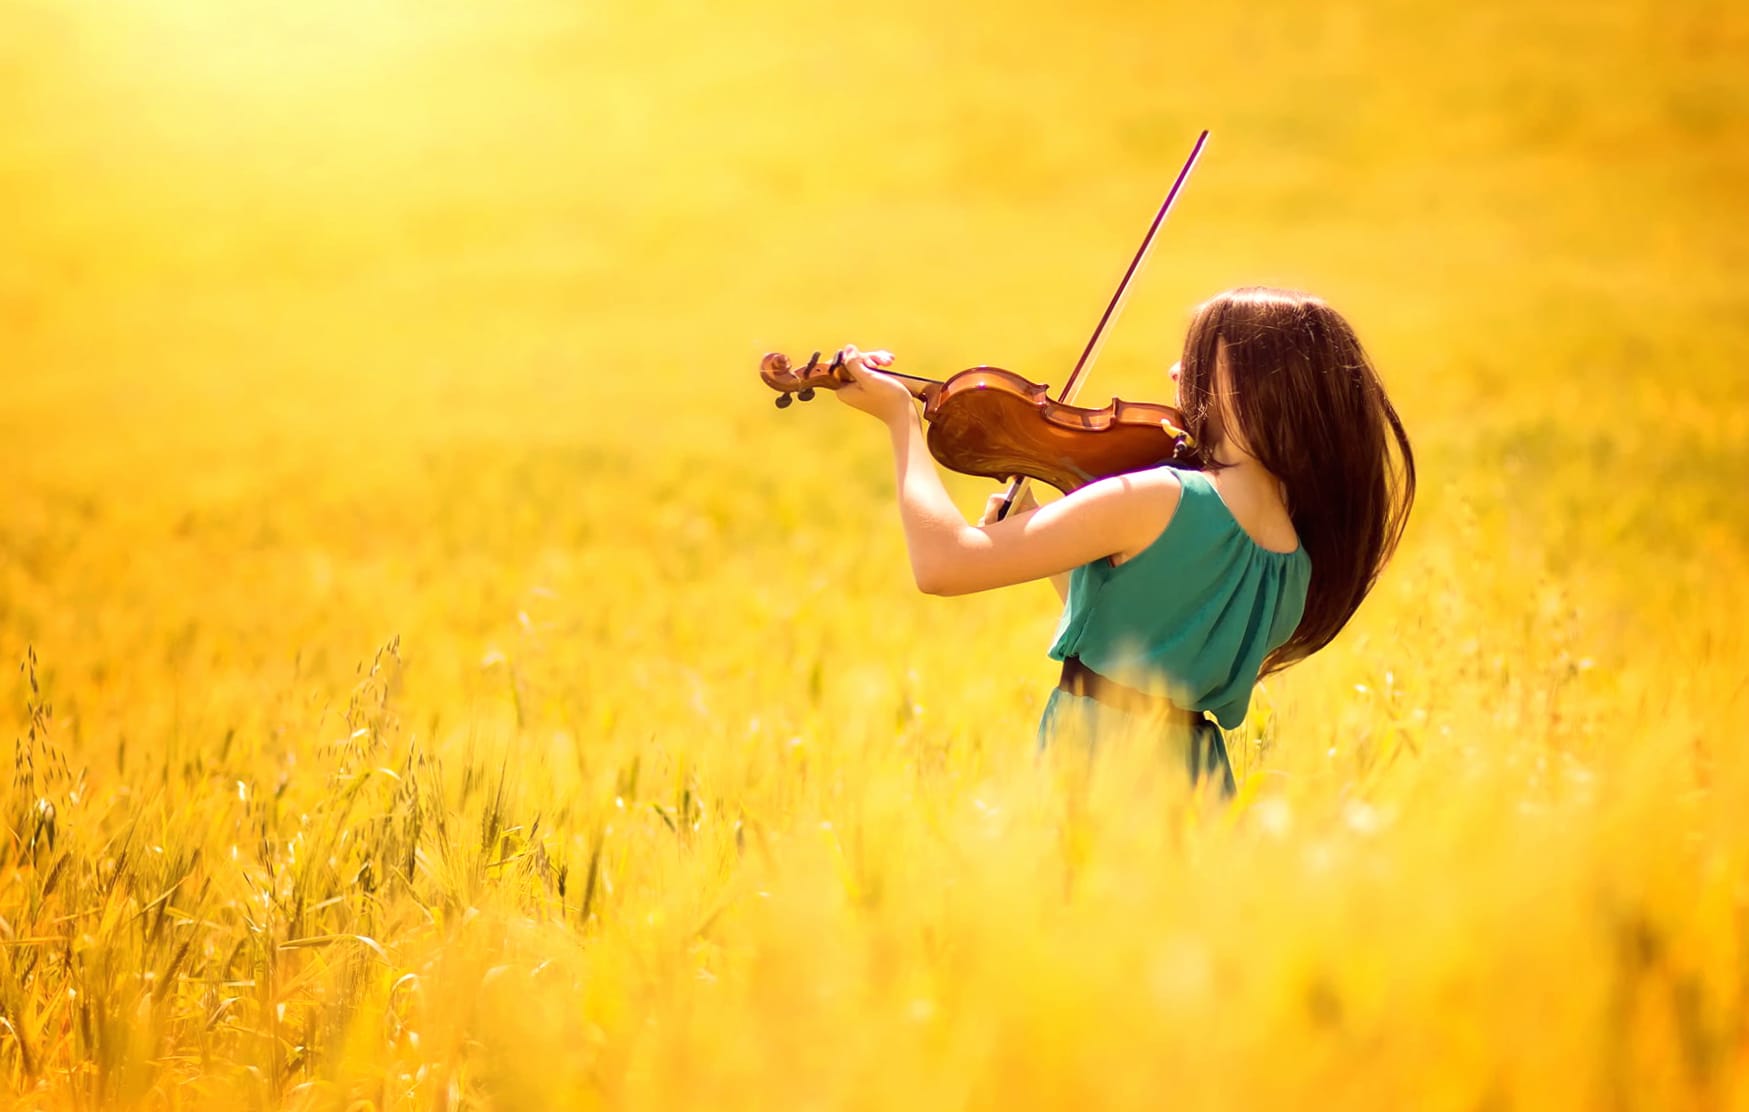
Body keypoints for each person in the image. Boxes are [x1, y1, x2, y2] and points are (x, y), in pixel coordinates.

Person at [830, 287, 1416, 796]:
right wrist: (1040, 533)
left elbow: (942, 565)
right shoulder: (1296, 556)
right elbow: (1136, 637)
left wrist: (901, 420)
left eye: (1196, 361)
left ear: (1252, 387)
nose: (1173, 374)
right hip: (1194, 779)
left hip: (1099, 765)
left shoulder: (1156, 496)